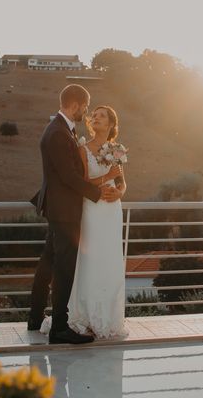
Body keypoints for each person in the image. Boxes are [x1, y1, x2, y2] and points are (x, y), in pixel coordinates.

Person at [28, 84, 121, 345]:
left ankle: (35, 318)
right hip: (64, 210)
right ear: (76, 104)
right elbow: (69, 176)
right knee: (64, 269)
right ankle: (59, 328)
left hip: (59, 208)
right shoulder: (58, 133)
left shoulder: (61, 129)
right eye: (86, 106)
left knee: (47, 263)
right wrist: (98, 192)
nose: (87, 112)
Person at [67, 105, 128, 338]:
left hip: (112, 211)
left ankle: (108, 316)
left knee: (109, 259)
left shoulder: (117, 149)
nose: (96, 118)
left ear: (111, 124)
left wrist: (120, 192)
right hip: (92, 210)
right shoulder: (83, 149)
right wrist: (107, 177)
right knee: (90, 259)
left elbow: (122, 183)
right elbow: (81, 183)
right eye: (95, 115)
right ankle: (86, 314)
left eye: (102, 116)